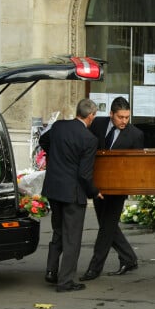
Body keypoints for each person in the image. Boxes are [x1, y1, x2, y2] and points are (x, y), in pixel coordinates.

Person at [41, 98, 104, 292]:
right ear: (91, 116)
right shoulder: (89, 139)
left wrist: (56, 156)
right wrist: (94, 192)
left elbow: (43, 140)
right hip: (72, 193)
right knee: (72, 238)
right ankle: (65, 280)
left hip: (54, 188)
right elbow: (85, 174)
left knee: (58, 232)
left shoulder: (59, 126)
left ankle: (51, 271)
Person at [80, 97, 144, 281]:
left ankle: (94, 268)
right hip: (98, 185)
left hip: (118, 188)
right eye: (120, 117)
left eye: (127, 117)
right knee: (106, 225)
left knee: (106, 227)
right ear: (111, 114)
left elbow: (136, 165)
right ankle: (129, 258)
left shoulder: (135, 134)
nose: (124, 121)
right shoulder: (97, 124)